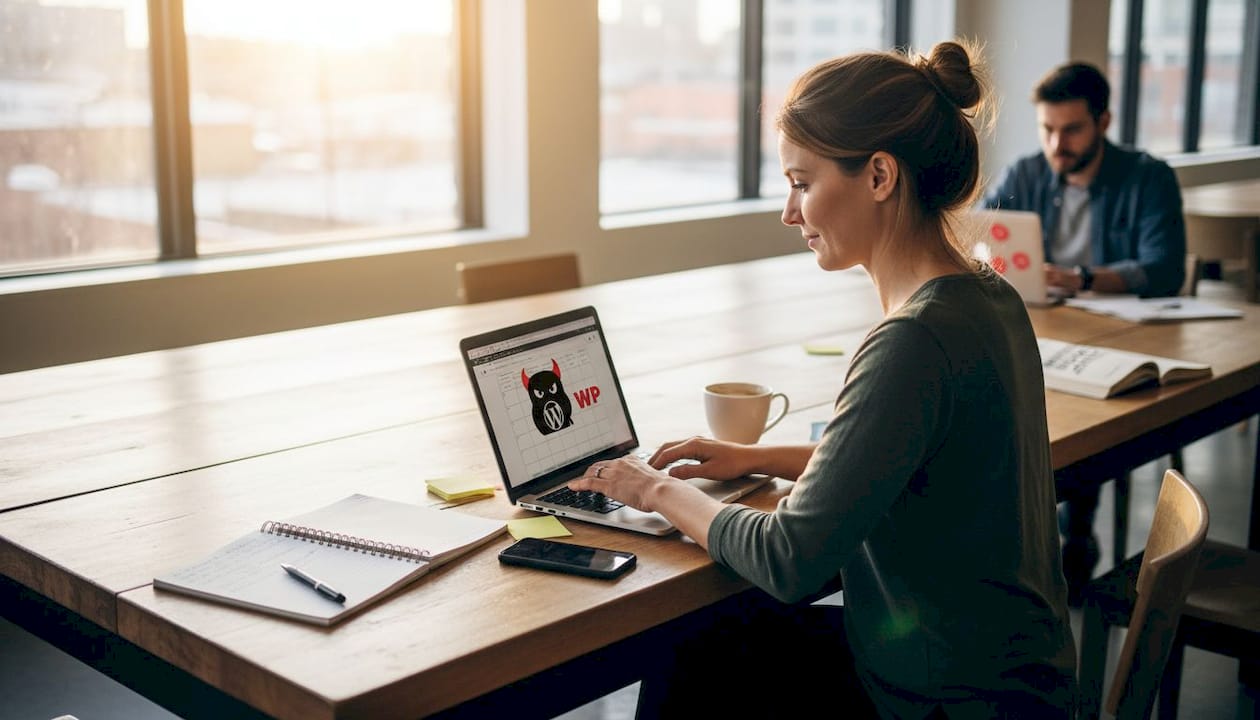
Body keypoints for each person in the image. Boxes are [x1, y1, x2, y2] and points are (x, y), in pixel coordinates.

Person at [569, 41, 1078, 718]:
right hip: (1017, 679)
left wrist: (651, 488)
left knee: (693, 653)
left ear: (878, 176)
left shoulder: (914, 341)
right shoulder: (987, 296)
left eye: (802, 183)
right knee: (710, 646)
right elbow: (913, 459)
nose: (789, 212)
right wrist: (757, 458)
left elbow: (790, 559)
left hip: (947, 701)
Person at [983, 61, 1187, 603]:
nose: (1057, 144)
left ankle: (1073, 539)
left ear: (1103, 121)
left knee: (1082, 411)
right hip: (1043, 323)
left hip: (1121, 334)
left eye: (1070, 130)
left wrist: (1082, 278)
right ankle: (1022, 544)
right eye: (1047, 129)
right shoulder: (1026, 174)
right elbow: (980, 234)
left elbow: (1163, 268)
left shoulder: (1148, 177)